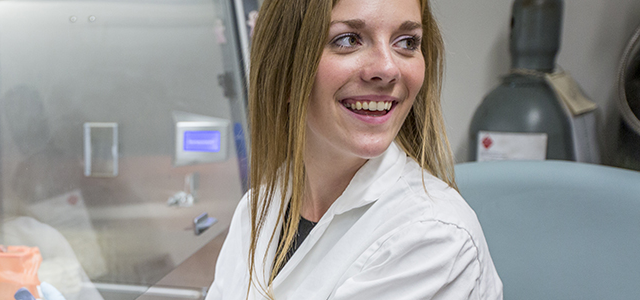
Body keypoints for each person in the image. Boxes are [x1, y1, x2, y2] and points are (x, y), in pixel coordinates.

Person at [207, 0, 503, 299]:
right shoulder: (258, 207)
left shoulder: (435, 238)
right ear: (283, 68)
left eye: (407, 42)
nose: (387, 69)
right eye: (348, 40)